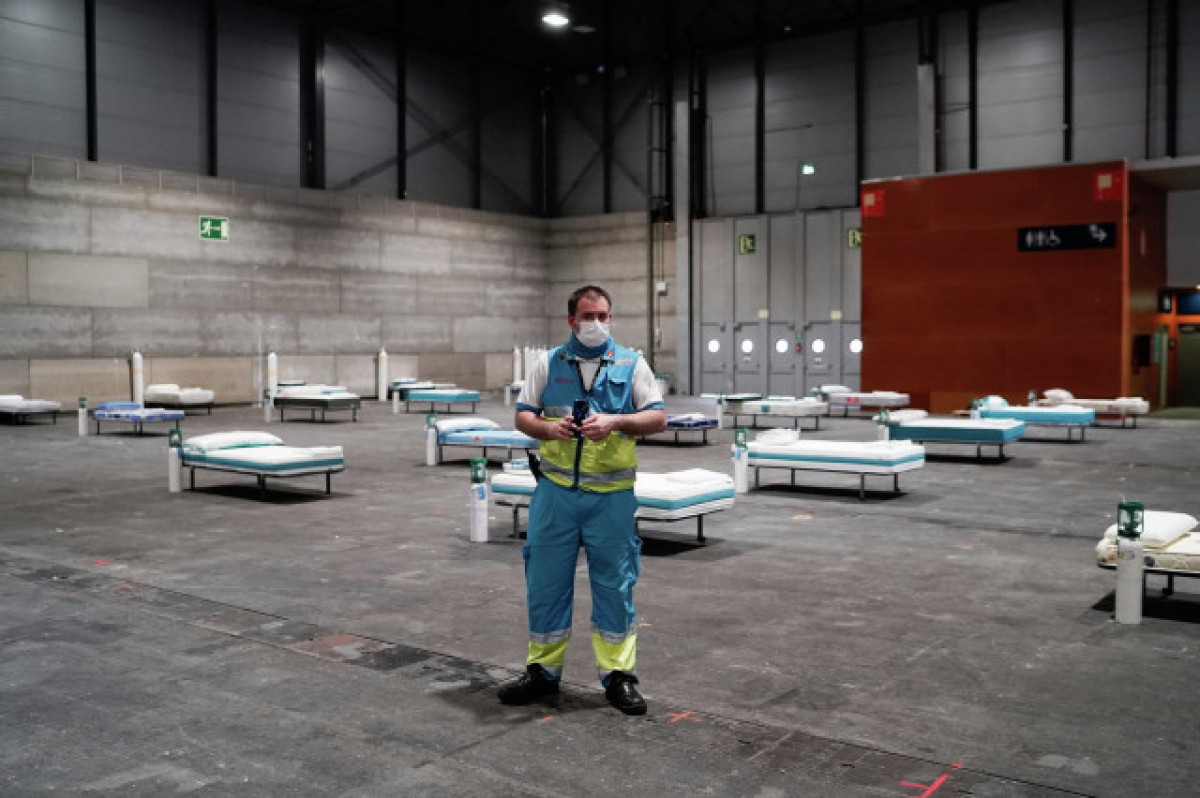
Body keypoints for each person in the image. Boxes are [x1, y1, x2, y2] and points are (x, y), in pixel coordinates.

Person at [498, 285, 667, 715]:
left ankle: (619, 676)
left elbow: (658, 417)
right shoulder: (549, 363)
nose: (596, 323)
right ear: (571, 320)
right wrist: (547, 429)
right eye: (588, 316)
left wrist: (616, 422)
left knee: (614, 585)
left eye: (603, 316)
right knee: (545, 585)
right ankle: (542, 671)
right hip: (555, 495)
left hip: (610, 500)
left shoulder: (631, 364)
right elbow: (523, 415)